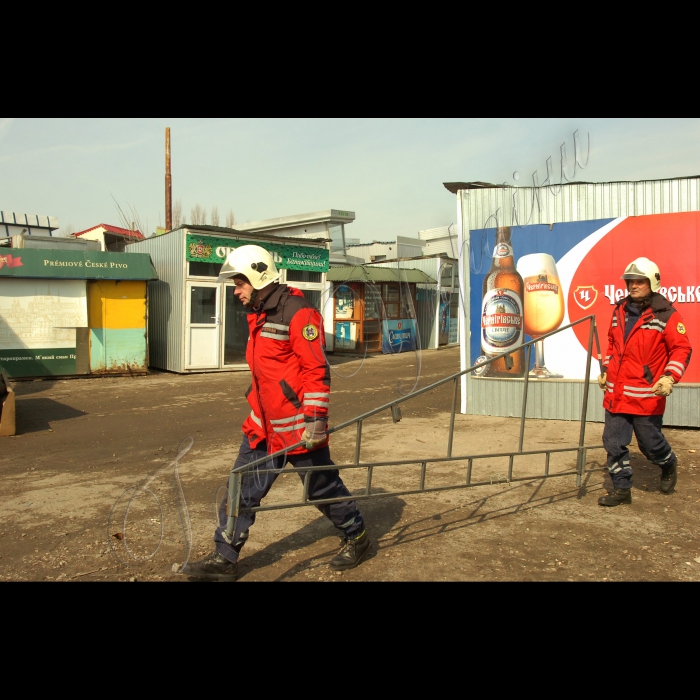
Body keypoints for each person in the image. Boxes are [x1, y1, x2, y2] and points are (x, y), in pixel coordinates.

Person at [183, 245, 370, 580]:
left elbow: (316, 371)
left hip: (298, 428)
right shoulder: (259, 313)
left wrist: (315, 420)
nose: (236, 291)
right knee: (240, 489)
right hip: (262, 428)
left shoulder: (298, 313)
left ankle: (356, 535)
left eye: (239, 283)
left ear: (257, 277)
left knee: (321, 489)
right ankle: (224, 559)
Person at [597, 257, 692, 506]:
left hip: (646, 395)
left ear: (652, 282)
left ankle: (668, 462)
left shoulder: (667, 314)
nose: (633, 285)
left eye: (639, 281)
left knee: (650, 445)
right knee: (613, 443)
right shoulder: (619, 310)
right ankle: (621, 489)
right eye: (630, 281)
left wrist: (669, 377)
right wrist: (606, 368)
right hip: (617, 393)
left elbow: (682, 349)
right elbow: (612, 344)